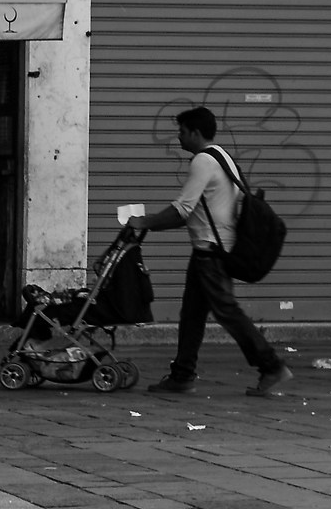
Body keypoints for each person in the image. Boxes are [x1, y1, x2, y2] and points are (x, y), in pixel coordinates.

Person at [121, 106, 291, 398]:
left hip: (212, 253)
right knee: (192, 315)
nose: (178, 137)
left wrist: (143, 222)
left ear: (196, 133)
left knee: (227, 312)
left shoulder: (203, 161)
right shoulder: (222, 156)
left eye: (182, 132)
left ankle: (271, 365)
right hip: (208, 250)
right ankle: (182, 374)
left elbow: (182, 210)